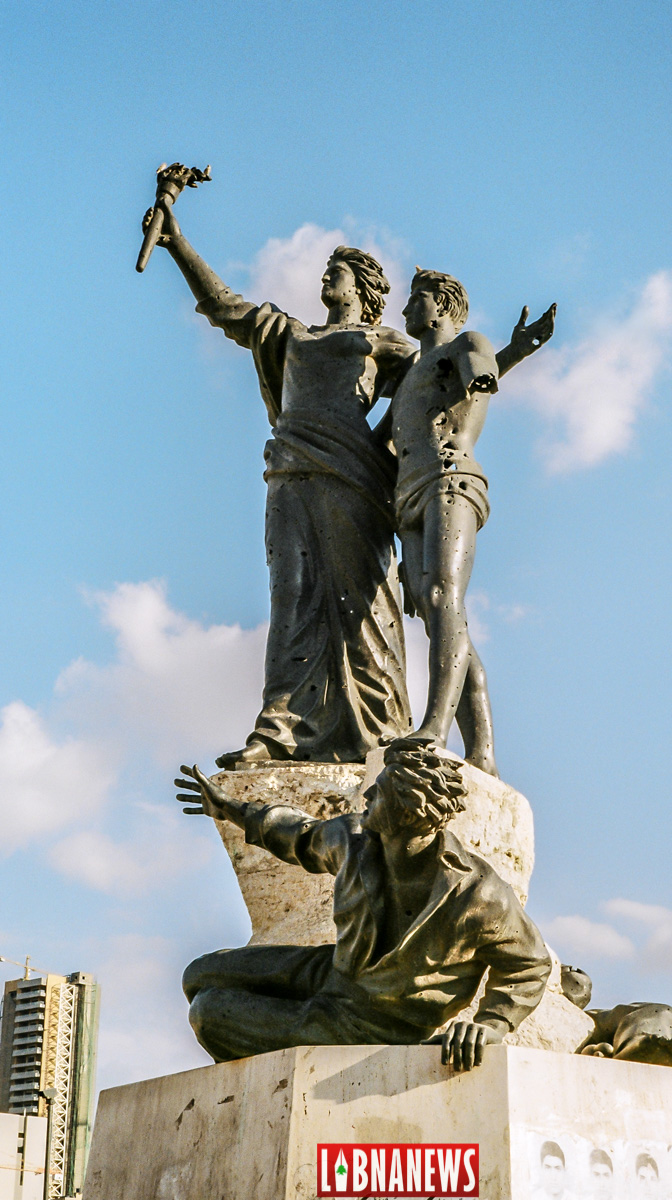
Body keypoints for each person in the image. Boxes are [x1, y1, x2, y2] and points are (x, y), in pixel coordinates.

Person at [145, 197, 419, 766]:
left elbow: (432, 391)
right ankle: (276, 731)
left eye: (336, 270)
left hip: (353, 480)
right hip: (291, 472)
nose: (325, 275)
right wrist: (174, 239)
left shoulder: (384, 342)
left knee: (364, 606)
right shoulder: (287, 332)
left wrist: (383, 445)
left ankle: (384, 727)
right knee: (291, 598)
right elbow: (222, 306)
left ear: (363, 289)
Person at [175, 738, 552, 1069]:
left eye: (380, 791)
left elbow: (529, 964)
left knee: (209, 1013)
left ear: (409, 810)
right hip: (334, 971)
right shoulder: (353, 838)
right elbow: (299, 835)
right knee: (198, 975)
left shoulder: (477, 892)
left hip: (378, 1021)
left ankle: (295, 1071)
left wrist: (491, 1024)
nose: (368, 796)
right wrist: (231, 810)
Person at [386, 269, 555, 774]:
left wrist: (498, 361)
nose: (405, 310)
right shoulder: (417, 371)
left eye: (416, 300)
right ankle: (481, 751)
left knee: (443, 597)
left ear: (442, 305)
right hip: (410, 495)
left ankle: (435, 729)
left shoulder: (466, 342)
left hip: (449, 480)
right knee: (439, 617)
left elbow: (475, 370)